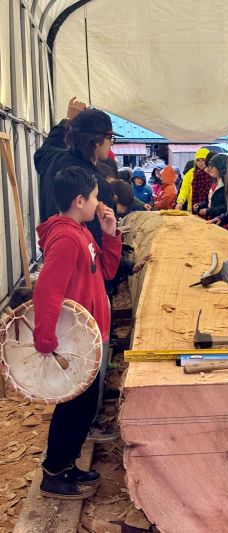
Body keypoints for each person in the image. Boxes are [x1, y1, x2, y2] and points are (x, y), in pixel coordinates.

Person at [33, 166, 122, 499]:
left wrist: (110, 234)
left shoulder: (82, 232)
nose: (100, 202)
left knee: (83, 407)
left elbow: (106, 272)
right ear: (80, 199)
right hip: (76, 342)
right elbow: (47, 291)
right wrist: (45, 341)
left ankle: (66, 463)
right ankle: (54, 472)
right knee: (73, 407)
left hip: (91, 336)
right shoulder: (67, 238)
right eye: (96, 196)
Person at [34, 97, 118, 247]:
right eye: (109, 137)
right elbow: (99, 247)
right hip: (85, 268)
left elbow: (43, 151)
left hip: (53, 251)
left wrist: (67, 120)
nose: (111, 144)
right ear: (96, 140)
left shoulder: (52, 158)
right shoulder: (98, 187)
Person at [197, 154, 228, 220]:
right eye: (209, 166)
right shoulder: (214, 182)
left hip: (222, 222)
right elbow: (212, 202)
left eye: (213, 166)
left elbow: (226, 207)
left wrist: (209, 210)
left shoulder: (227, 185)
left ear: (220, 167)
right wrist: (201, 205)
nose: (210, 168)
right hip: (212, 219)